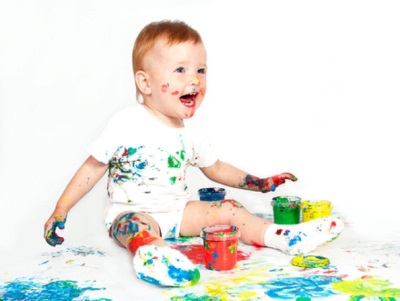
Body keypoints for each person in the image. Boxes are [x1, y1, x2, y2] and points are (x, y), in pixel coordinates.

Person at [44, 20, 344, 287]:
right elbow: (93, 167)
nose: (195, 80)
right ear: (145, 82)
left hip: (178, 213)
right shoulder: (127, 123)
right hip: (132, 213)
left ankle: (285, 237)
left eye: (201, 70)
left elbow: (216, 169)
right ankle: (155, 257)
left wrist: (259, 182)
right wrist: (61, 208)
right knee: (134, 226)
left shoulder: (191, 132)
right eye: (180, 70)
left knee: (227, 209)